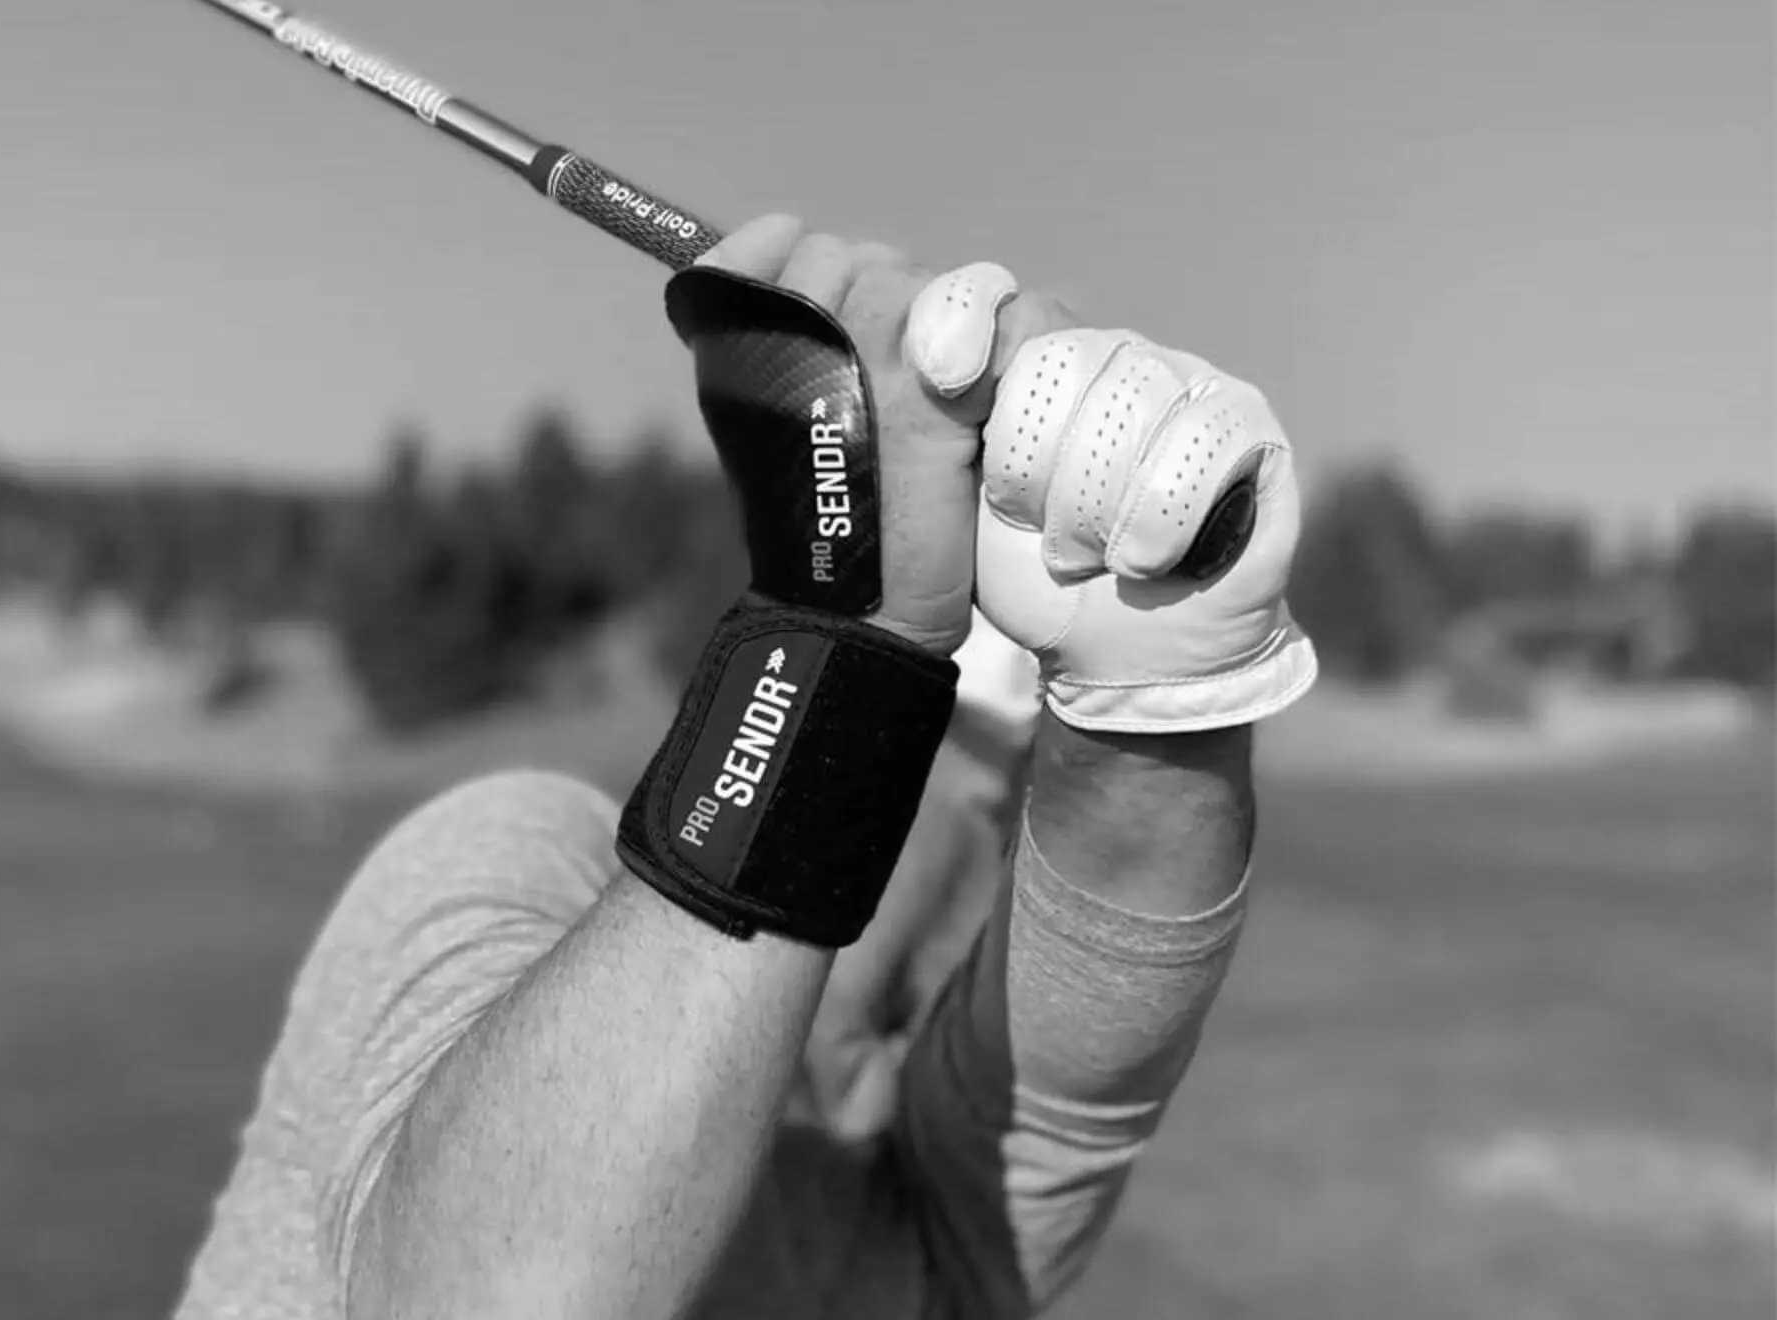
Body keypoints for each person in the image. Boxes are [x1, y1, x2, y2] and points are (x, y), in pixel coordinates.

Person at [173, 215, 1318, 1319]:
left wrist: (1163, 699)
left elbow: (1098, 974)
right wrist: (848, 621)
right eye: (935, 753)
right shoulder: (514, 852)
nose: (990, 844)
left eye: (1017, 805)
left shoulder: (941, 1229)